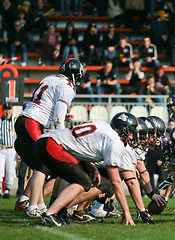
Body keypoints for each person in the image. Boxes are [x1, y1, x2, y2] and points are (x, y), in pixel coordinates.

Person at [35, 112, 139, 226]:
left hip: (47, 141)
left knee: (79, 178)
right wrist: (126, 211)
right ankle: (50, 214)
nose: (130, 137)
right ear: (122, 129)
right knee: (83, 181)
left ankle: (60, 213)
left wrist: (91, 168)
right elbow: (116, 181)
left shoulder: (103, 125)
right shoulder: (115, 142)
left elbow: (80, 146)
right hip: (53, 144)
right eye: (130, 132)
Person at [14, 58, 82, 217]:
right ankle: (35, 207)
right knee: (44, 164)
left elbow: (46, 104)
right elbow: (58, 118)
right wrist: (62, 139)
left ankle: (34, 204)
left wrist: (61, 117)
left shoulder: (49, 78)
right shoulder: (67, 86)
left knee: (43, 166)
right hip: (32, 123)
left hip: (25, 121)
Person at [0, 103, 17, 199]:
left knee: (10, 170)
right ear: (3, 110)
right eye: (5, 109)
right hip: (1, 148)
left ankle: (7, 190)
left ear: (11, 110)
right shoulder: (0, 121)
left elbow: (18, 137)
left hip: (12, 148)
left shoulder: (15, 122)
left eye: (9, 109)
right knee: (0, 169)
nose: (7, 111)